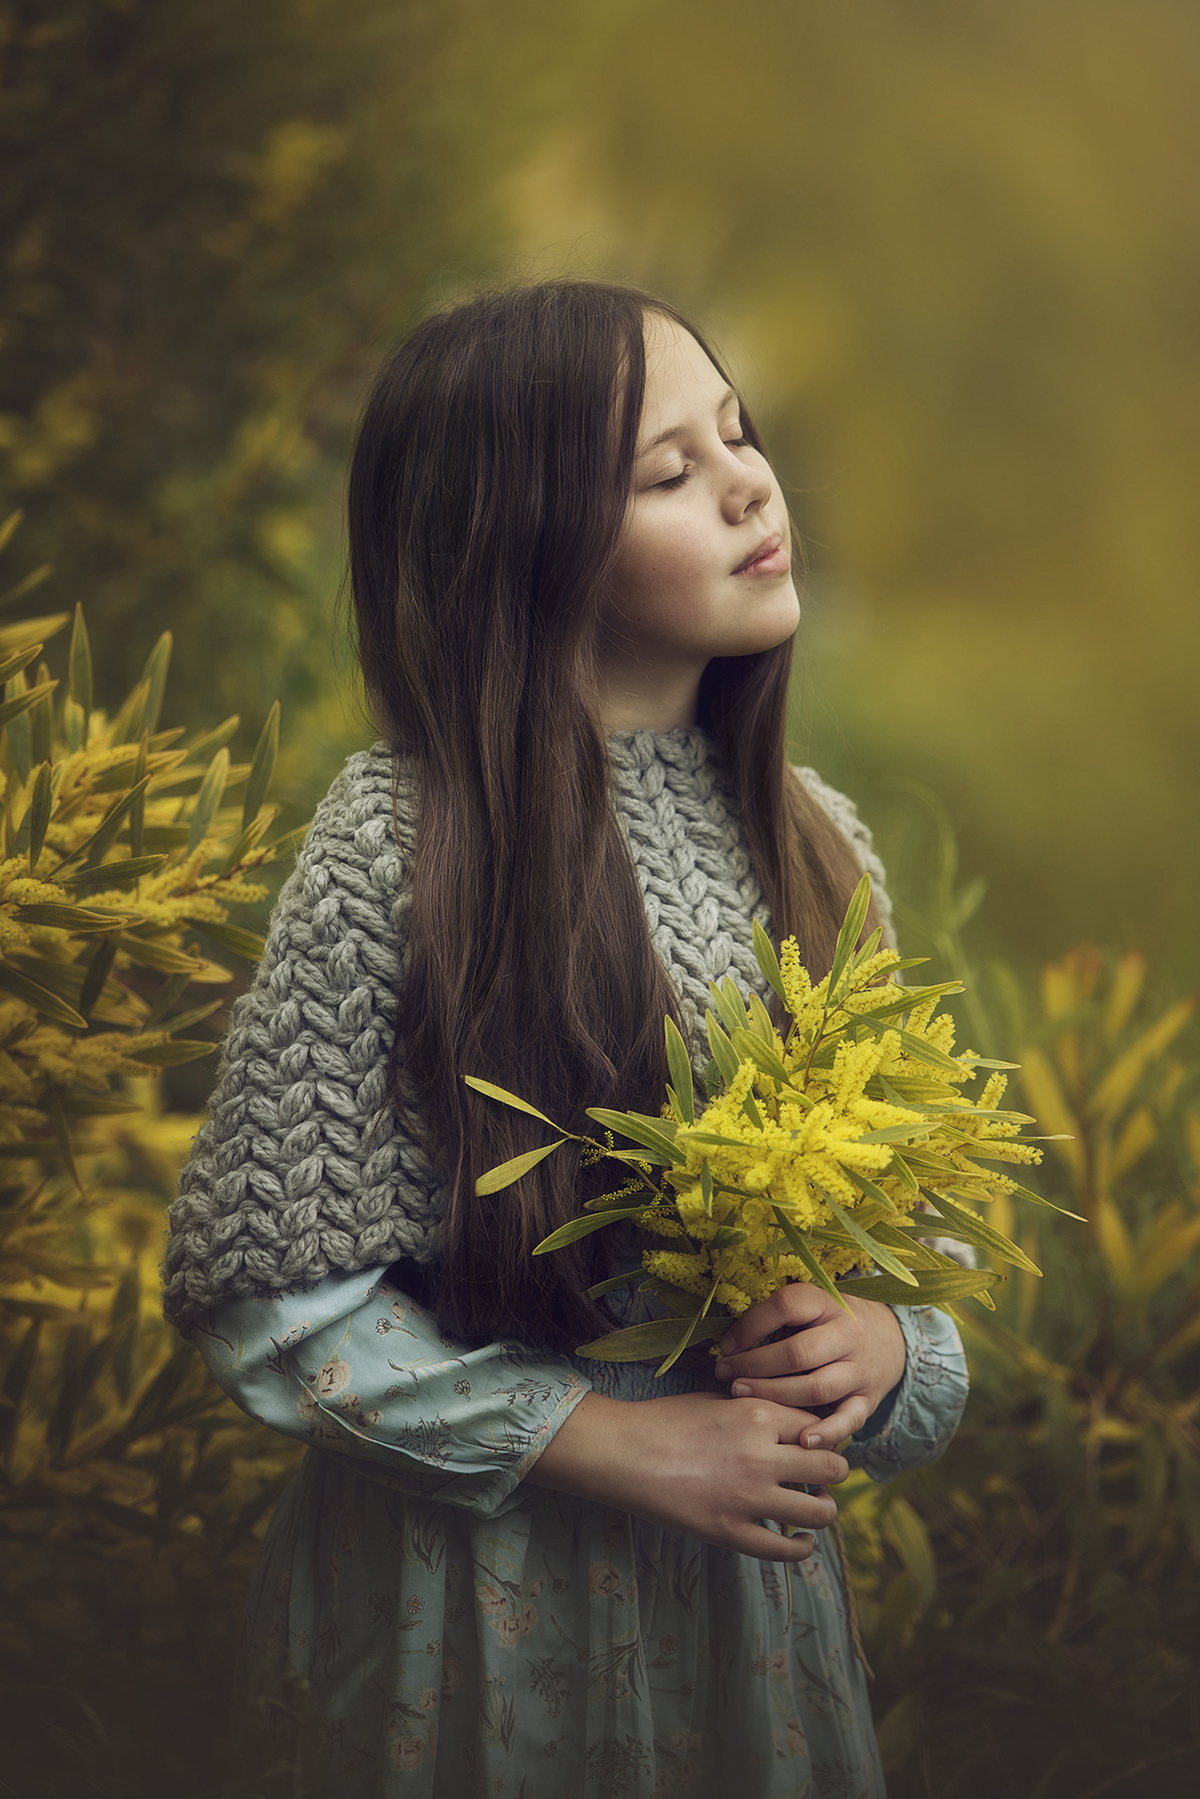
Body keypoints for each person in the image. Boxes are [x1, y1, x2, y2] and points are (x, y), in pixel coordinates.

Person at [162, 278, 969, 1798]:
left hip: (745, 1631)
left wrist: (880, 1351)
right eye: (668, 472)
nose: (747, 483)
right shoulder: (397, 848)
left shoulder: (817, 844)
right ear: (519, 549)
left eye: (739, 433)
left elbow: (915, 1275)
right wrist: (607, 1440)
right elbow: (267, 1303)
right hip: (468, 1615)